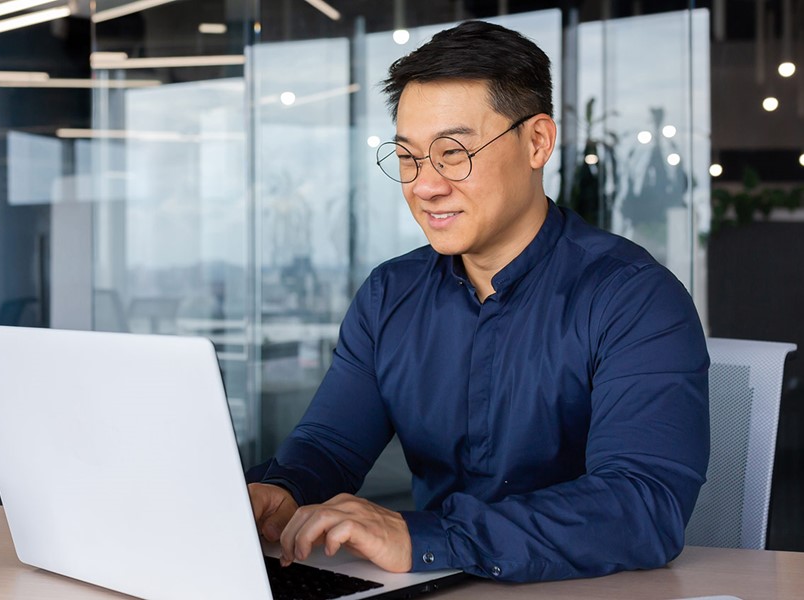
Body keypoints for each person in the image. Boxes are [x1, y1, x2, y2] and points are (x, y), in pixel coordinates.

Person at [247, 20, 709, 583]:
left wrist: (428, 536)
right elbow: (330, 444)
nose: (425, 185)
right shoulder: (391, 294)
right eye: (408, 156)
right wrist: (281, 489)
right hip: (429, 583)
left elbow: (642, 506)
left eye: (453, 153)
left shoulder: (633, 297)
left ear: (537, 141)